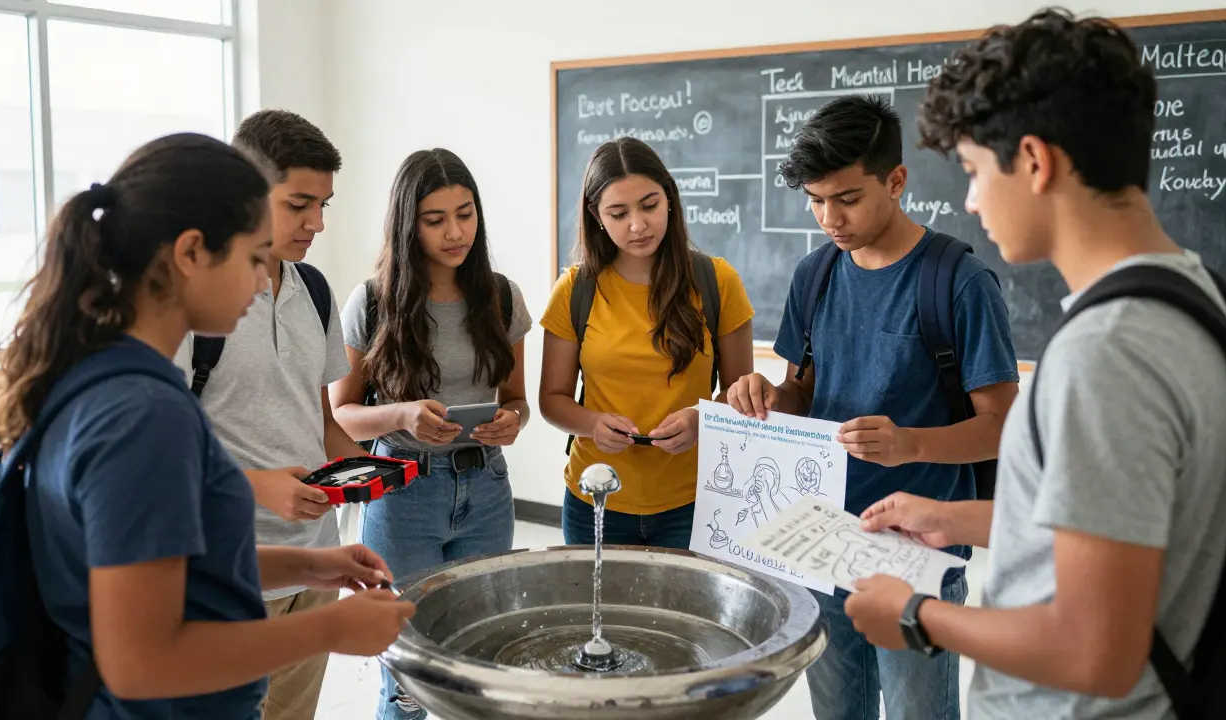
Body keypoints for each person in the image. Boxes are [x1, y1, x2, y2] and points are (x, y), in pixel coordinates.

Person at [844, 9, 1226, 719]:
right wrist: (952, 519)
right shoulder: (1195, 294)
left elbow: (1094, 651)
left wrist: (914, 615)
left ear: (1034, 160)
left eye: (973, 170)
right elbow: (1119, 530)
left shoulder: (1105, 356)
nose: (969, 199)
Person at [0, 132, 414, 718]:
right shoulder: (144, 417)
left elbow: (155, 561)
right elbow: (141, 662)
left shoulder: (100, 377)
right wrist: (329, 629)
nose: (263, 282)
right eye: (254, 258)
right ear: (190, 253)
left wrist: (310, 565)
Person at [725, 94, 1020, 720]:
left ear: (896, 180)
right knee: (837, 710)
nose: (828, 217)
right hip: (817, 537)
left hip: (919, 548)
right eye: (815, 199)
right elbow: (802, 392)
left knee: (919, 711)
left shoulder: (959, 283)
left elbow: (1001, 428)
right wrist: (767, 397)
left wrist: (911, 443)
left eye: (848, 198)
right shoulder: (815, 275)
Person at [172, 110, 365, 720]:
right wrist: (257, 488)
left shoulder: (313, 289)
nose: (317, 224)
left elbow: (316, 408)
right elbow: (163, 455)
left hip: (314, 557)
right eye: (299, 204)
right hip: (227, 567)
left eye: (324, 204)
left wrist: (357, 465)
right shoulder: (193, 304)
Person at [329, 148, 532, 720]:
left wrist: (511, 421)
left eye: (465, 214)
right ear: (407, 223)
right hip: (403, 491)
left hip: (486, 488)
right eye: (435, 219)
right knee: (407, 678)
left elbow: (517, 400)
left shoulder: (501, 295)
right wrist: (401, 415)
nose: (455, 231)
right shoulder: (371, 301)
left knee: (477, 665)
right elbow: (341, 415)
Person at [540, 137, 755, 550]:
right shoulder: (575, 289)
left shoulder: (717, 281)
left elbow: (741, 395)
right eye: (618, 214)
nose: (637, 225)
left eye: (650, 205)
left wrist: (701, 419)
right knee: (601, 616)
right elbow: (552, 398)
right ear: (596, 216)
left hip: (696, 501)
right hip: (596, 498)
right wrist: (591, 425)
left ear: (669, 199)